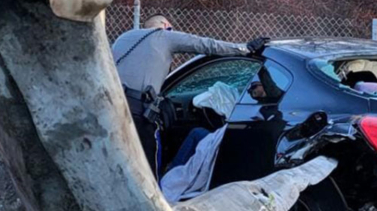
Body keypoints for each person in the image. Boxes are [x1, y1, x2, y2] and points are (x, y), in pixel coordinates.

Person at [112, 14, 268, 174]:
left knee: (115, 159)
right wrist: (244, 49)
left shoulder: (123, 38)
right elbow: (206, 45)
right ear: (166, 25)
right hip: (139, 114)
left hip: (109, 107)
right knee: (147, 168)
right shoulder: (164, 36)